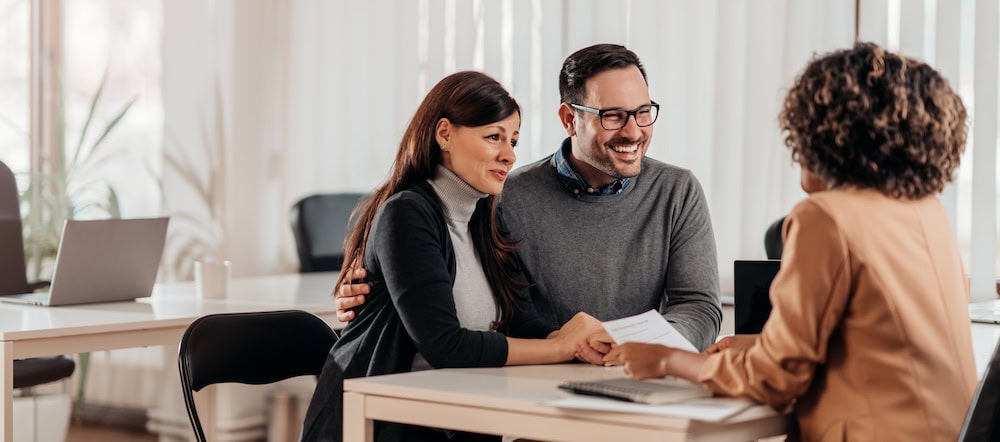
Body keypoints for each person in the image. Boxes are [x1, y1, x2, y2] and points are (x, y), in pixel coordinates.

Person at [604, 42, 976, 441]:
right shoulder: (925, 211)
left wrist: (669, 361)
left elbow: (775, 381)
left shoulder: (825, 218)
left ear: (827, 135)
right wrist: (759, 344)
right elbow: (881, 343)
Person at [336, 44, 723, 360]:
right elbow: (489, 317)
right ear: (569, 119)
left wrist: (639, 348)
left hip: (638, 377)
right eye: (613, 116)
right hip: (533, 393)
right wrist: (372, 287)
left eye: (642, 113)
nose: (634, 131)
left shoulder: (678, 191)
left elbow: (698, 307)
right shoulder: (503, 197)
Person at [299, 71, 602, 442]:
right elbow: (445, 346)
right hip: (384, 426)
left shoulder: (485, 219)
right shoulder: (407, 213)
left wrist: (581, 342)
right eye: (493, 137)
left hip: (458, 423)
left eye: (514, 141)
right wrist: (558, 347)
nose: (509, 155)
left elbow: (523, 324)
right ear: (444, 134)